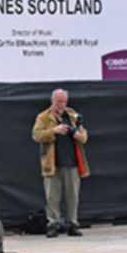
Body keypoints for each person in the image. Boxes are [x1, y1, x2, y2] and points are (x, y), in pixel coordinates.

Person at [32, 88, 89, 238]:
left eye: (64, 101)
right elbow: (36, 135)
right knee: (52, 197)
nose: (62, 104)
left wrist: (78, 134)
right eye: (59, 101)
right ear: (52, 100)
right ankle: (53, 225)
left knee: (73, 196)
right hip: (52, 163)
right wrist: (54, 131)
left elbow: (84, 136)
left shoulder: (72, 115)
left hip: (72, 161)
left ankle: (72, 224)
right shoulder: (43, 117)